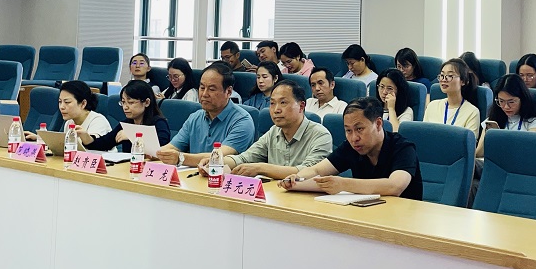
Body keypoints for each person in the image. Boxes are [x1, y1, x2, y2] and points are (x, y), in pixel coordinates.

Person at [280, 97, 423, 200]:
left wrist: (343, 184)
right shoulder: (351, 147)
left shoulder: (403, 147)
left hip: (404, 217)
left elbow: (394, 186)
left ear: (378, 124)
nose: (354, 138)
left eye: (359, 129)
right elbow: (317, 170)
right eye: (348, 130)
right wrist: (297, 178)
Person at [198, 81, 332, 180]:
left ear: (301, 106)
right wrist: (216, 162)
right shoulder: (274, 131)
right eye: (272, 103)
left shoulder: (320, 135)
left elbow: (307, 172)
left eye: (283, 103)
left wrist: (260, 168)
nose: (276, 110)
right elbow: (244, 158)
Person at [155, 62, 254, 166]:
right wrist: (155, 153)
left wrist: (180, 158)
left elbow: (218, 157)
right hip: (192, 174)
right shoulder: (195, 117)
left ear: (228, 92)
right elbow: (172, 147)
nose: (204, 94)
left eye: (211, 89)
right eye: (202, 88)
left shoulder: (242, 121)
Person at [84, 80, 171, 152]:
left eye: (131, 102)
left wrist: (132, 136)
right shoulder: (127, 124)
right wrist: (85, 137)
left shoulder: (159, 122)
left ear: (147, 102)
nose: (125, 107)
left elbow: (161, 149)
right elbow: (104, 144)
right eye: (123, 102)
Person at [476, 74, 536, 158]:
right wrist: (490, 134)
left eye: (511, 102)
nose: (506, 107)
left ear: (523, 99)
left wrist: (501, 140)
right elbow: (478, 154)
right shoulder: (493, 120)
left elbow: (526, 152)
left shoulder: (535, 123)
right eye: (501, 101)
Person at [24, 80, 112, 142]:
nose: (61, 107)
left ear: (83, 103)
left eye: (67, 102)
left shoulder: (98, 121)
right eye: (60, 102)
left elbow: (91, 147)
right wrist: (40, 139)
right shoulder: (69, 122)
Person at [423, 58, 481, 139]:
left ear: (463, 81)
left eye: (450, 76)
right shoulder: (432, 106)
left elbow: (469, 144)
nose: (444, 79)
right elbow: (424, 136)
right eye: (442, 75)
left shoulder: (472, 112)